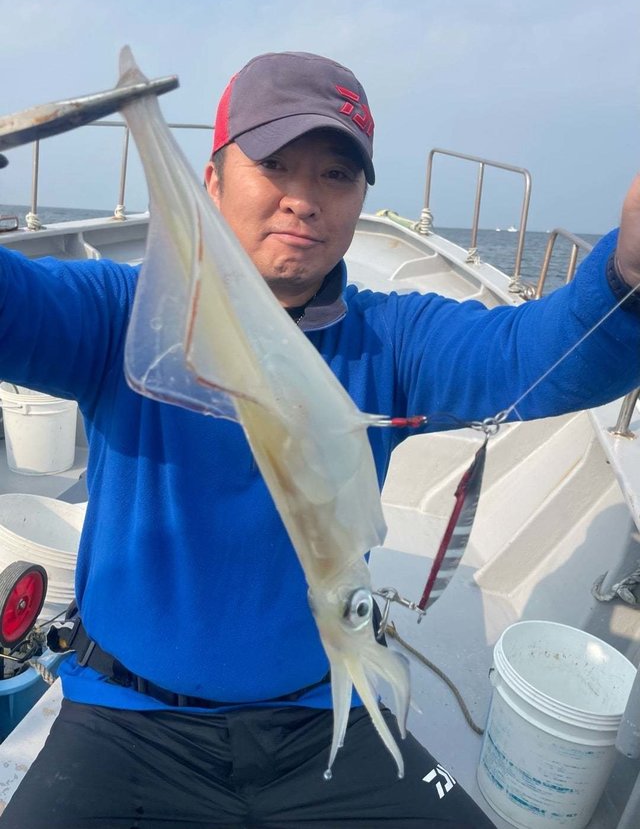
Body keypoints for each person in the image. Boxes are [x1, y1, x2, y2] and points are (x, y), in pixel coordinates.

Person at [0, 50, 639, 829]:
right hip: (126, 717)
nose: (302, 199)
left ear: (362, 198)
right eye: (274, 163)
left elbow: (537, 353)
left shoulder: (391, 339)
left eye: (336, 174)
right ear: (212, 182)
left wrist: (627, 271)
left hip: (323, 713)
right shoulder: (125, 315)